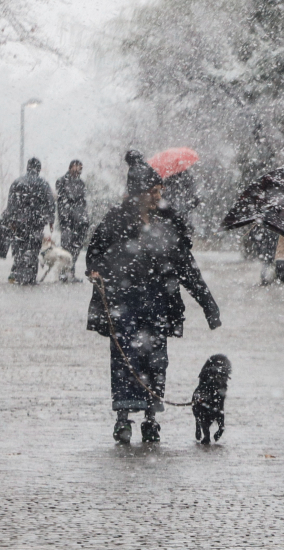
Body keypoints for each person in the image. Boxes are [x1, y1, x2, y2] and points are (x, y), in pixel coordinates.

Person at [86, 151, 221, 444]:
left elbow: (186, 267)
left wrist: (207, 304)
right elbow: (94, 252)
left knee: (155, 361)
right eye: (154, 191)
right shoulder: (115, 221)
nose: (159, 196)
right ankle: (123, 419)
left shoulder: (168, 223)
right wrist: (94, 271)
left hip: (159, 303)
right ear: (138, 194)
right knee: (125, 360)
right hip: (123, 303)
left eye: (160, 190)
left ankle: (151, 418)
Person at [5, 158, 54, 285]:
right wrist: (50, 220)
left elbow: (11, 203)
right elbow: (50, 203)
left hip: (20, 222)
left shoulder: (17, 182)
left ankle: (19, 275)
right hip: (37, 222)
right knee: (33, 250)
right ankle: (30, 278)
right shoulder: (43, 184)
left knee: (20, 249)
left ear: (27, 167)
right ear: (39, 168)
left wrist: (11, 220)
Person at [55, 160, 88, 282]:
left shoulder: (81, 183)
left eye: (80, 168)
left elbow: (82, 202)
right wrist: (66, 217)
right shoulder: (62, 181)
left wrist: (84, 217)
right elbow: (62, 200)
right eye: (77, 167)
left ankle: (71, 271)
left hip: (79, 220)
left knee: (76, 246)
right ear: (70, 168)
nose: (79, 170)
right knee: (66, 246)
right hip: (67, 220)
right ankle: (63, 272)